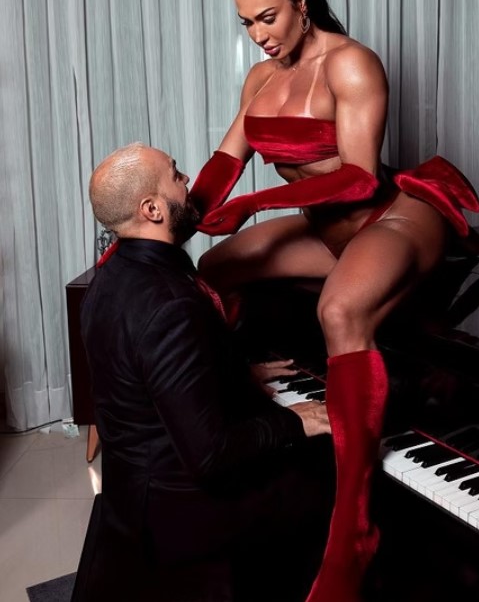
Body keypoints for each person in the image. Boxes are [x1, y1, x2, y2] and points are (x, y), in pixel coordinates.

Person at [191, 0, 479, 602]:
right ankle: (237, 400)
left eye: (267, 17)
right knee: (214, 269)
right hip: (327, 231)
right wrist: (166, 227)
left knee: (339, 310)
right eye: (247, 23)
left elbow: (355, 178)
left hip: (393, 217)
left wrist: (255, 204)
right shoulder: (259, 79)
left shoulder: (350, 62)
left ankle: (352, 535)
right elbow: (226, 161)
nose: (258, 35)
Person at [79, 142, 335, 602]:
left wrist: (231, 370)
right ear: (153, 209)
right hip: (181, 515)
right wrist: (294, 420)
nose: (188, 182)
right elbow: (211, 454)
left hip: (133, 494)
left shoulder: (111, 277)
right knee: (325, 476)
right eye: (176, 175)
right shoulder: (171, 304)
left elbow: (146, 382)